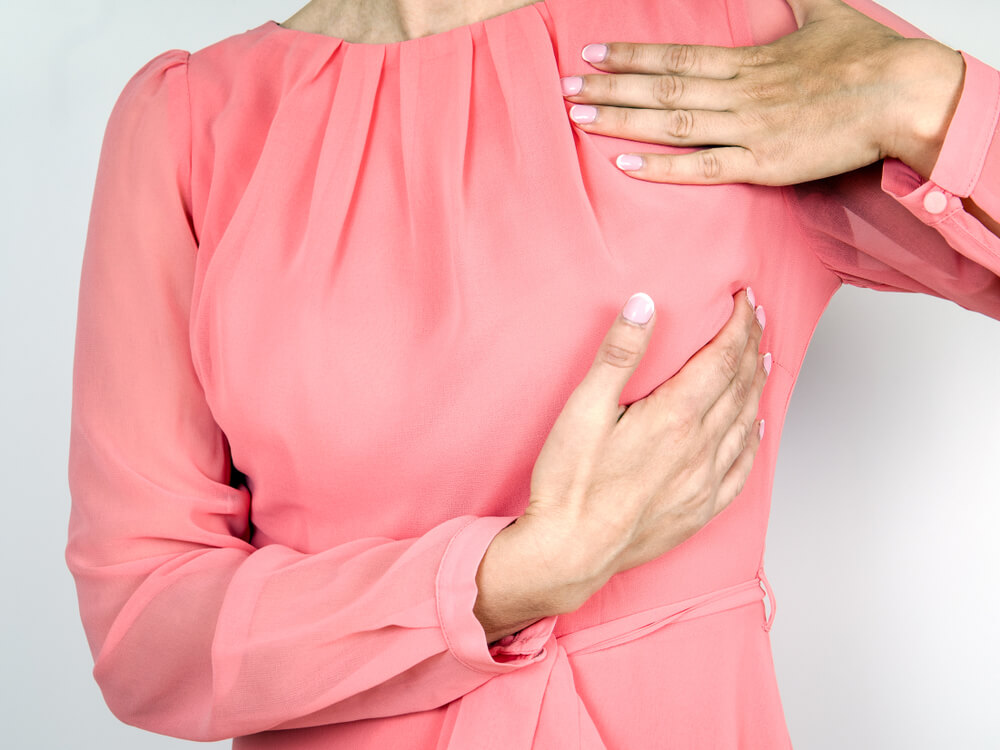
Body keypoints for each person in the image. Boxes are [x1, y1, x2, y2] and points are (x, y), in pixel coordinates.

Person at [65, 0, 1000, 747]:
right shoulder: (194, 124)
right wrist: (516, 577)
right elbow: (143, 629)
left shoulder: (738, 34)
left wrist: (927, 96)